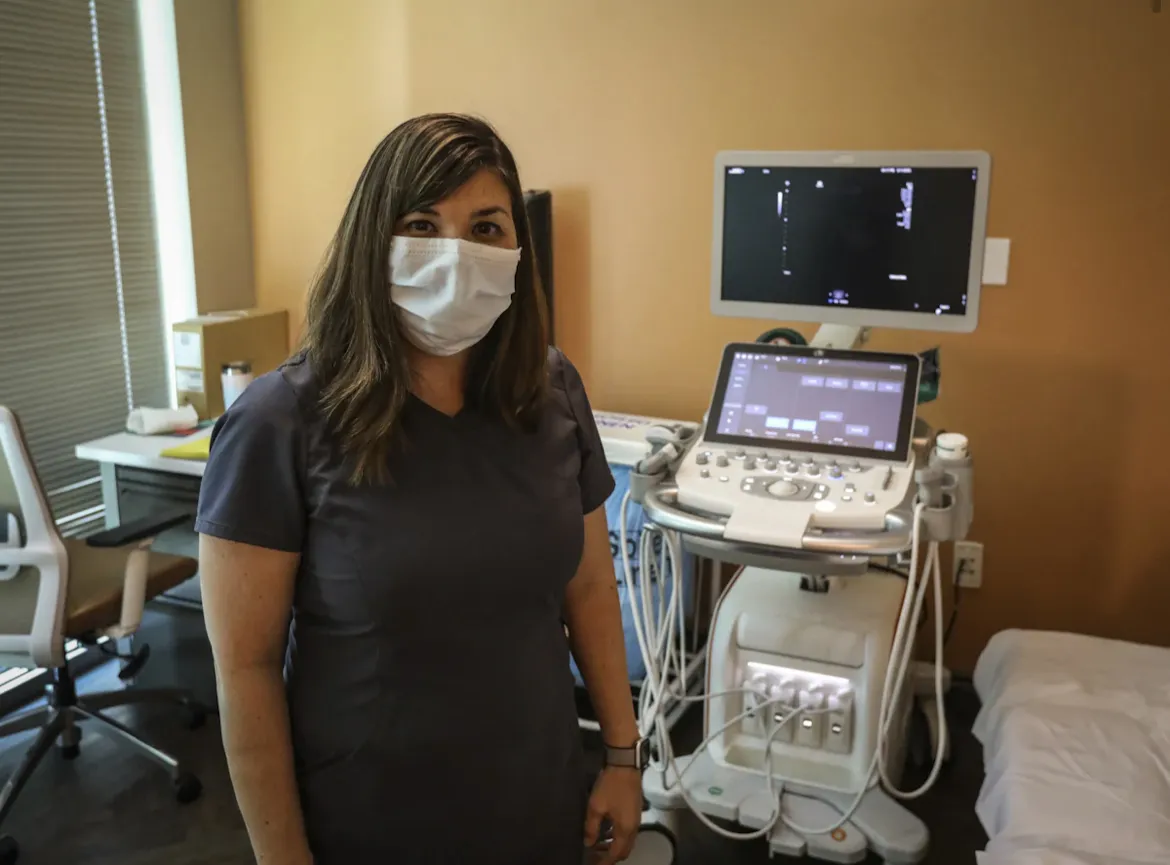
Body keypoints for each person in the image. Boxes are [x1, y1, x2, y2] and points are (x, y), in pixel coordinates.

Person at [195, 114, 643, 865]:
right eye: (422, 225)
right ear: (373, 239)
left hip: (538, 803)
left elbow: (592, 587)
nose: (456, 254)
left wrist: (624, 758)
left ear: (517, 249)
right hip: (370, 821)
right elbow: (246, 670)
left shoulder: (550, 390)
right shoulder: (279, 422)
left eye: (486, 227)